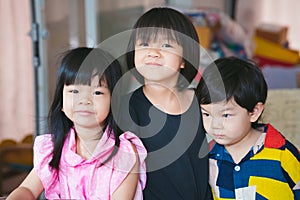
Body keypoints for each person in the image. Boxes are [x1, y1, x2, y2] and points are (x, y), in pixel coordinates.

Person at [7, 47, 147, 200]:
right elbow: (27, 189)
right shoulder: (53, 148)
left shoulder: (125, 154)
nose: (84, 100)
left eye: (97, 92)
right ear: (61, 101)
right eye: (74, 91)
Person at [118, 7, 212, 199]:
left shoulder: (203, 103)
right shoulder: (124, 108)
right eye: (144, 44)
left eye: (166, 46)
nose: (153, 53)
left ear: (184, 59)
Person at [196, 56, 300, 199]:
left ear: (254, 112)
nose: (215, 125)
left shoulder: (283, 154)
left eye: (226, 115)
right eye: (207, 114)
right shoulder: (208, 158)